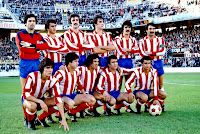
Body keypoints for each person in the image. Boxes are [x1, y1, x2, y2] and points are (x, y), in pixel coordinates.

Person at [15, 14, 62, 91]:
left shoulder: (38, 35)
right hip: (25, 62)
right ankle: (25, 102)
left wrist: (31, 45)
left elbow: (46, 46)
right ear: (25, 23)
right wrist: (37, 49)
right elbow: (22, 48)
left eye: (34, 21)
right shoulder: (20, 34)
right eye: (30, 21)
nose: (32, 23)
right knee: (25, 89)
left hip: (37, 62)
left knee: (37, 87)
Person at [21, 58, 69, 131]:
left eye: (52, 68)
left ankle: (41, 117)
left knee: (62, 101)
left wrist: (63, 118)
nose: (50, 70)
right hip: (28, 100)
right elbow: (26, 95)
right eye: (47, 68)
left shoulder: (53, 80)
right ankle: (30, 121)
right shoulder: (32, 76)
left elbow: (58, 99)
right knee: (32, 106)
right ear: (42, 68)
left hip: (41, 98)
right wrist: (40, 102)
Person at [54, 52, 96, 122]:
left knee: (92, 100)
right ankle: (55, 115)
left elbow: (79, 83)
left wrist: (84, 94)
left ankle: (72, 112)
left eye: (78, 61)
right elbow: (53, 84)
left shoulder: (76, 72)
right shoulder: (61, 72)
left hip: (72, 95)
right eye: (75, 61)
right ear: (69, 63)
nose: (78, 63)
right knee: (70, 103)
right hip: (62, 96)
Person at [43, 19, 69, 123]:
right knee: (48, 90)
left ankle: (58, 114)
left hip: (59, 65)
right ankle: (47, 115)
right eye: (52, 26)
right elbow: (49, 49)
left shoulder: (59, 38)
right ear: (47, 28)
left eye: (55, 26)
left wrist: (57, 48)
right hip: (49, 65)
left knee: (59, 90)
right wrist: (59, 48)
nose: (54, 28)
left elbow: (66, 49)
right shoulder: (45, 38)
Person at [139, 23, 166, 111]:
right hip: (148, 63)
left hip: (158, 63)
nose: (152, 30)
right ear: (146, 30)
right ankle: (147, 105)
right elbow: (142, 53)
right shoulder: (142, 41)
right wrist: (153, 55)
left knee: (160, 84)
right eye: (150, 29)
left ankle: (161, 104)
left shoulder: (160, 39)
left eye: (153, 29)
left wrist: (151, 53)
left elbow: (162, 51)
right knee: (148, 84)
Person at [114, 20, 139, 113]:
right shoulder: (118, 38)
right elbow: (121, 51)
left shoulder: (132, 39)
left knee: (128, 84)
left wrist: (129, 50)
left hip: (129, 62)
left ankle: (127, 106)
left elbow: (137, 50)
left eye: (129, 27)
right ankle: (115, 106)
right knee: (118, 85)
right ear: (123, 29)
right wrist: (131, 50)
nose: (127, 29)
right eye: (126, 27)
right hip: (120, 62)